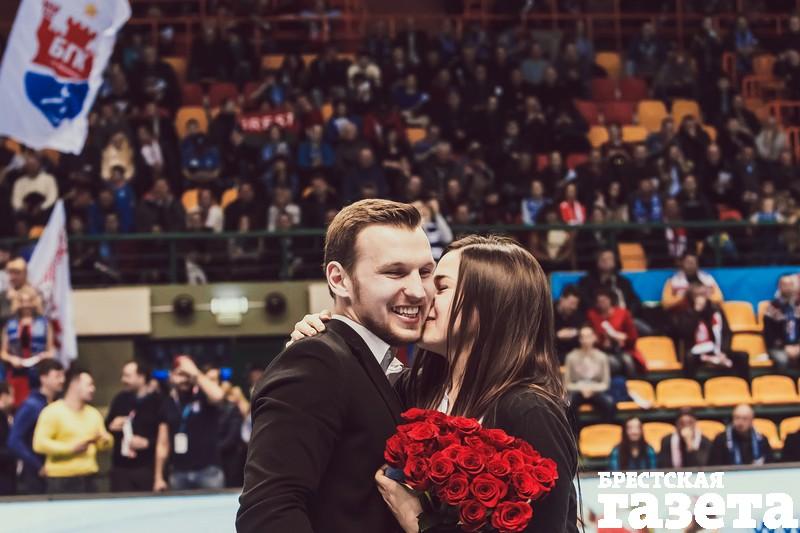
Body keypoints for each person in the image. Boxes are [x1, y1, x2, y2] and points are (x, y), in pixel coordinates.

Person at [285, 232, 579, 532]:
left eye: (441, 287)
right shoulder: (413, 389)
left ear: (491, 304)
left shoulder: (529, 411)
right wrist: (319, 339)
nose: (421, 295)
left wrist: (420, 523)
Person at [238, 199, 435, 533]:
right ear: (339, 279)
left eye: (426, 272)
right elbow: (268, 513)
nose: (418, 290)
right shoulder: (316, 361)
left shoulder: (389, 367)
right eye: (394, 272)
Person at [32, 368, 113, 494]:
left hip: (89, 476)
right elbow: (39, 444)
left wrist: (105, 440)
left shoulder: (93, 413)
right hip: (61, 478)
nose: (92, 389)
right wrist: (70, 448)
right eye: (89, 384)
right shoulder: (52, 412)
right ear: (74, 385)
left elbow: (104, 443)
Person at [163, 354, 226, 490]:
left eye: (187, 375)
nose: (184, 379)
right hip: (178, 472)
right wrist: (158, 477)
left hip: (208, 471)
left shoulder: (203, 396)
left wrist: (195, 372)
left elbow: (218, 396)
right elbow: (162, 443)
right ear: (171, 375)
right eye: (180, 374)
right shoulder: (167, 402)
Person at [105, 361, 170, 492]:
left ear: (141, 377)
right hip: (121, 468)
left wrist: (147, 443)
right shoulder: (120, 399)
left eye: (128, 376)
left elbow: (166, 437)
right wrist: (112, 426)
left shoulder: (158, 402)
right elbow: (107, 425)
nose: (123, 380)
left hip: (147, 467)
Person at [7, 359, 65, 494]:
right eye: (57, 376)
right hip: (35, 475)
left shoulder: (59, 405)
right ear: (43, 378)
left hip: (56, 472)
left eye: (63, 376)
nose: (62, 380)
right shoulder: (31, 405)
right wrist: (37, 465)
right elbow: (14, 441)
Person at [677, 283, 749, 380]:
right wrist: (696, 312)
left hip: (716, 350)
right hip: (697, 352)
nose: (700, 298)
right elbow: (685, 333)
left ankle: (744, 385)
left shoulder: (716, 310)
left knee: (742, 356)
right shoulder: (686, 312)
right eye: (697, 295)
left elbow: (726, 333)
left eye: (703, 295)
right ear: (691, 297)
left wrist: (723, 352)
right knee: (689, 358)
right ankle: (691, 387)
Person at [1, 285, 54, 407]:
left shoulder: (45, 324)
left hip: (38, 372)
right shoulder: (10, 324)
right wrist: (12, 359)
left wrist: (43, 356)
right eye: (22, 301)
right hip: (16, 372)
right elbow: (3, 352)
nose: (26, 305)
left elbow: (51, 351)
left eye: (29, 301)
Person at [586, 288, 645, 376]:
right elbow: (589, 335)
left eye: (604, 301)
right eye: (599, 302)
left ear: (610, 300)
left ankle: (631, 382)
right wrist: (601, 341)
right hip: (601, 351)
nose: (601, 304)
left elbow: (633, 337)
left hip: (623, 350)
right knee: (610, 362)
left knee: (627, 361)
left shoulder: (623, 313)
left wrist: (622, 338)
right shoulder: (592, 315)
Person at [564, 326, 616, 422]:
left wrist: (592, 389)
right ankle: (575, 430)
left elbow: (605, 383)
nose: (585, 340)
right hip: (578, 391)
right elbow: (567, 383)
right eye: (582, 337)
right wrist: (582, 389)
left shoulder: (602, 357)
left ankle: (604, 428)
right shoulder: (571, 357)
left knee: (610, 403)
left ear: (594, 337)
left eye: (588, 336)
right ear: (579, 339)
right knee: (567, 405)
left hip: (596, 390)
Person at [708, 404, 774, 466]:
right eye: (737, 418)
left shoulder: (762, 440)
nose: (740, 422)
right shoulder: (721, 439)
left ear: (751, 421)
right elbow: (714, 466)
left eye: (745, 419)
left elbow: (770, 464)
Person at [763, 275, 800, 372]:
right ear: (779, 287)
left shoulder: (798, 306)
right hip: (778, 347)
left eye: (790, 284)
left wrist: (798, 346)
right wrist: (784, 347)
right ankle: (784, 381)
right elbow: (769, 334)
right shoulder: (772, 308)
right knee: (782, 360)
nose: (788, 288)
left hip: (797, 346)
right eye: (785, 285)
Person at [554, 285, 582, 364]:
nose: (574, 307)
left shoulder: (577, 315)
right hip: (552, 353)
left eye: (576, 304)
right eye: (571, 303)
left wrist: (577, 332)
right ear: (562, 299)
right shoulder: (548, 312)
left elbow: (582, 330)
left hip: (572, 355)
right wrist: (557, 336)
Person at [0, 381, 14, 495]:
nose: (13, 399)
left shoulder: (7, 416)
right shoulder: (2, 417)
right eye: (12, 395)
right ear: (3, 396)